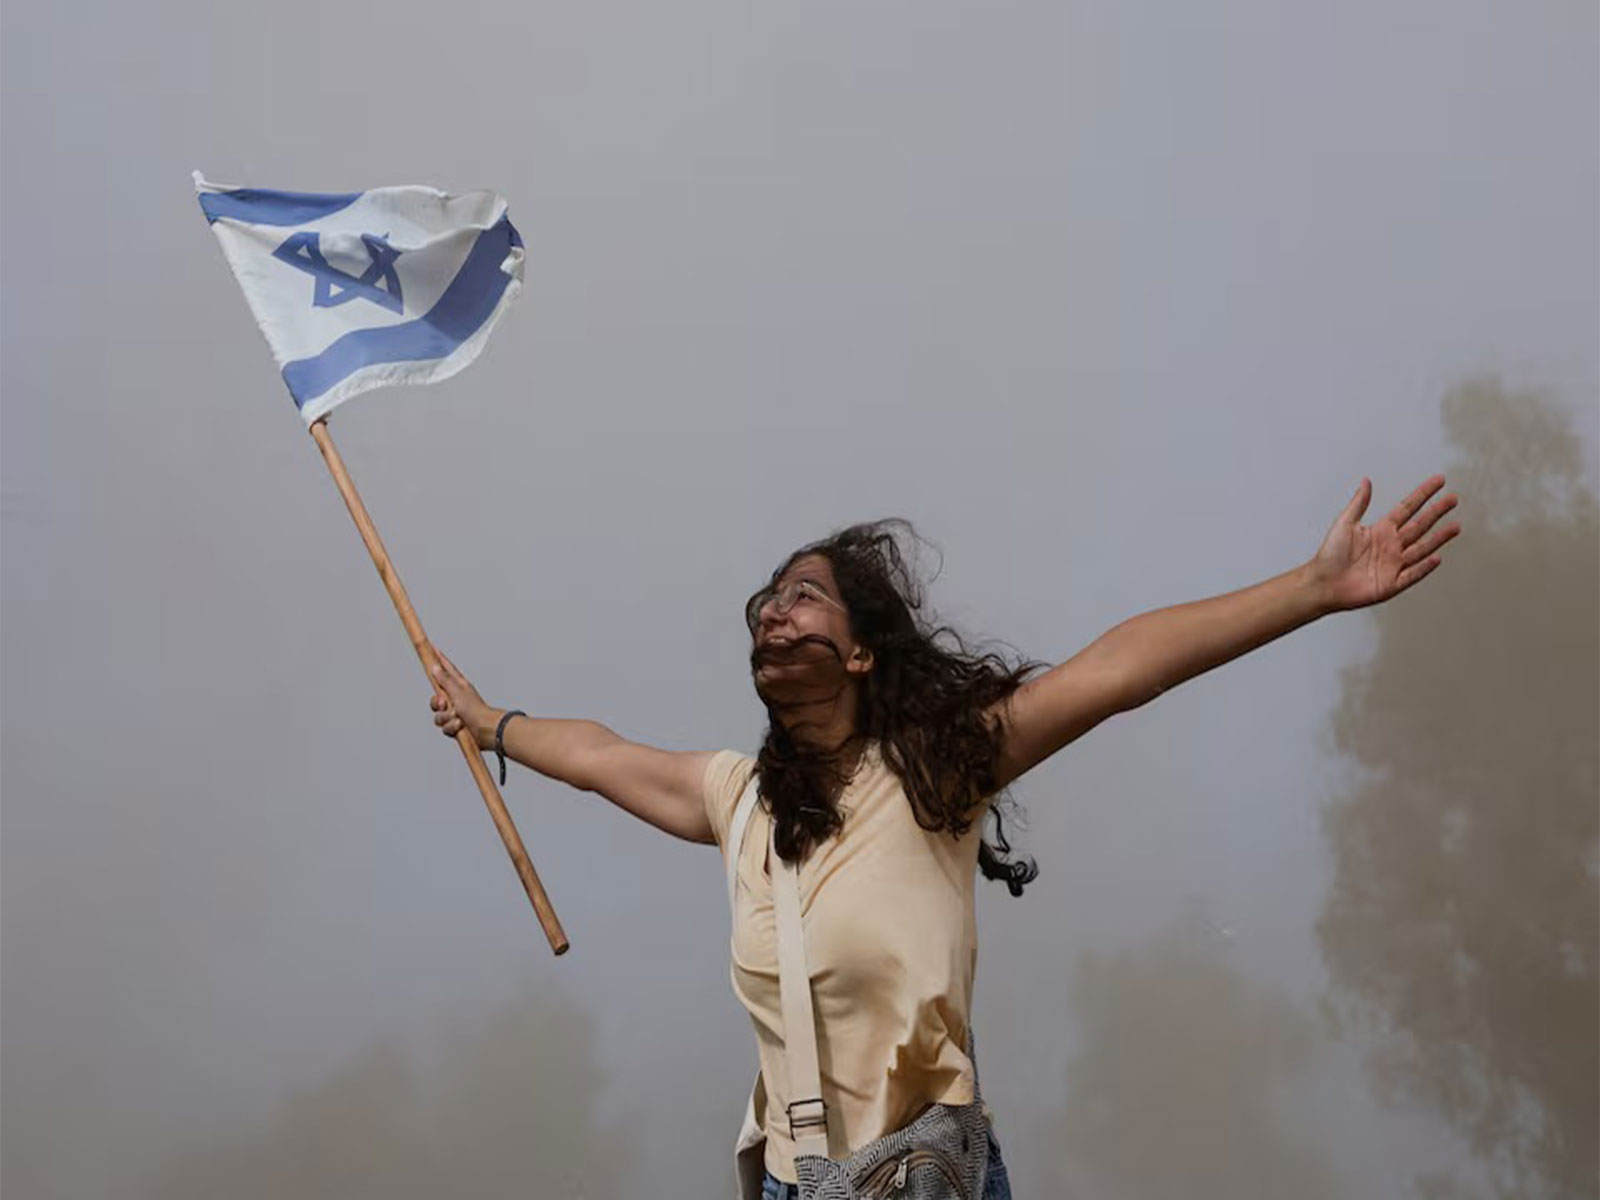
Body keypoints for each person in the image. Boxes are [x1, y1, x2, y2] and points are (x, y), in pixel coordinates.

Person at [428, 478, 1460, 1197]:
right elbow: (600, 753)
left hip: (930, 1183)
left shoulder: (935, 770)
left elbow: (1119, 670)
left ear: (862, 654)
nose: (774, 615)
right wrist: (489, 723)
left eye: (803, 597)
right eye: (765, 604)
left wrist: (1311, 589)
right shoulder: (735, 799)